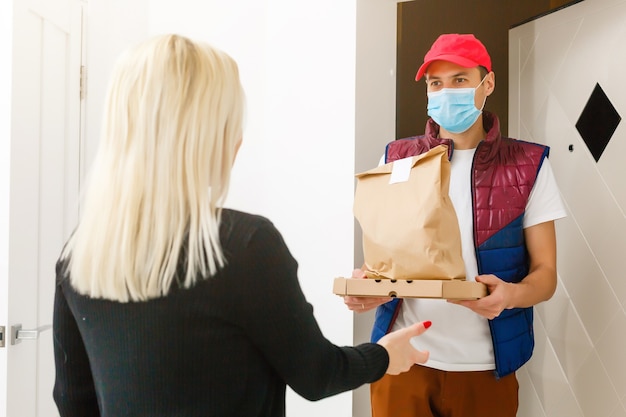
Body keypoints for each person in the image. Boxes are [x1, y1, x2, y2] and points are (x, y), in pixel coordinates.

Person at [52, 33, 432, 417]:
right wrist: (383, 355)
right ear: (206, 135)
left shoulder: (80, 253)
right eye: (231, 121)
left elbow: (72, 401)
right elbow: (317, 375)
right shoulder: (245, 245)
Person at [344, 33, 567, 417]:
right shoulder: (396, 157)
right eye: (436, 83)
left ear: (488, 84)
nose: (446, 92)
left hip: (484, 371)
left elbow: (546, 275)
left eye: (460, 80)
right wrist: (369, 286)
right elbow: (386, 258)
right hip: (402, 362)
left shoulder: (528, 165)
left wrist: (509, 296)